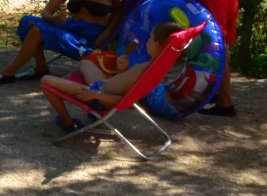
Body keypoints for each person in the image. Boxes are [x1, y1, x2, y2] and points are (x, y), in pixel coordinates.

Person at [40, 22, 185, 130]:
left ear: (157, 46)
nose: (147, 40)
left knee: (45, 81)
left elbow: (123, 100)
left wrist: (95, 95)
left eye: (150, 37)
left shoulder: (145, 69)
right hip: (103, 86)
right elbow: (127, 87)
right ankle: (87, 113)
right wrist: (122, 69)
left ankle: (68, 123)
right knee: (85, 63)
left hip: (99, 97)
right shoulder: (155, 68)